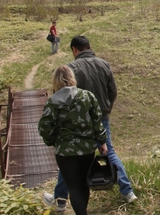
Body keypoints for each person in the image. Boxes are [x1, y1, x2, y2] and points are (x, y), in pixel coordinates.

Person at [44, 35, 137, 212]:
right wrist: (106, 110)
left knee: (70, 156)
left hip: (79, 121)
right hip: (102, 116)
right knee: (108, 151)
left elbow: (65, 96)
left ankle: (60, 199)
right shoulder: (104, 64)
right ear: (89, 46)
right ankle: (127, 191)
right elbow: (113, 91)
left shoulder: (72, 68)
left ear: (74, 50)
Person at [38, 66, 108, 215]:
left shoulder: (52, 102)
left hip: (64, 152)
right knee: (84, 185)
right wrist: (102, 141)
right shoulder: (87, 96)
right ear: (72, 77)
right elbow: (97, 120)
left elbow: (44, 127)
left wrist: (52, 141)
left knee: (73, 187)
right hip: (87, 149)